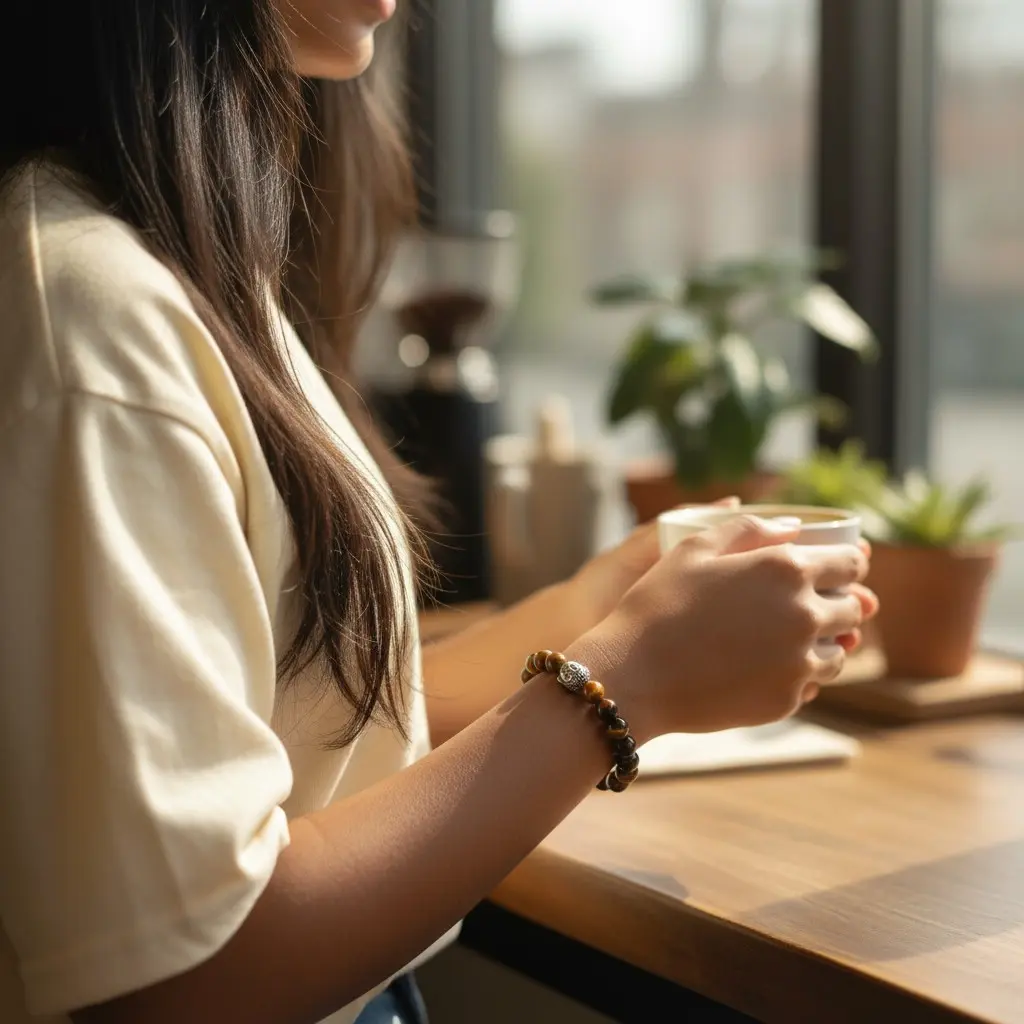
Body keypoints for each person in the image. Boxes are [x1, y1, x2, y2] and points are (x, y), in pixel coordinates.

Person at [0, 3, 876, 1023]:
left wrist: (595, 607)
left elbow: (310, 731)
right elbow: (189, 977)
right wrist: (625, 683)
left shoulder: (172, 269)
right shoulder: (89, 316)